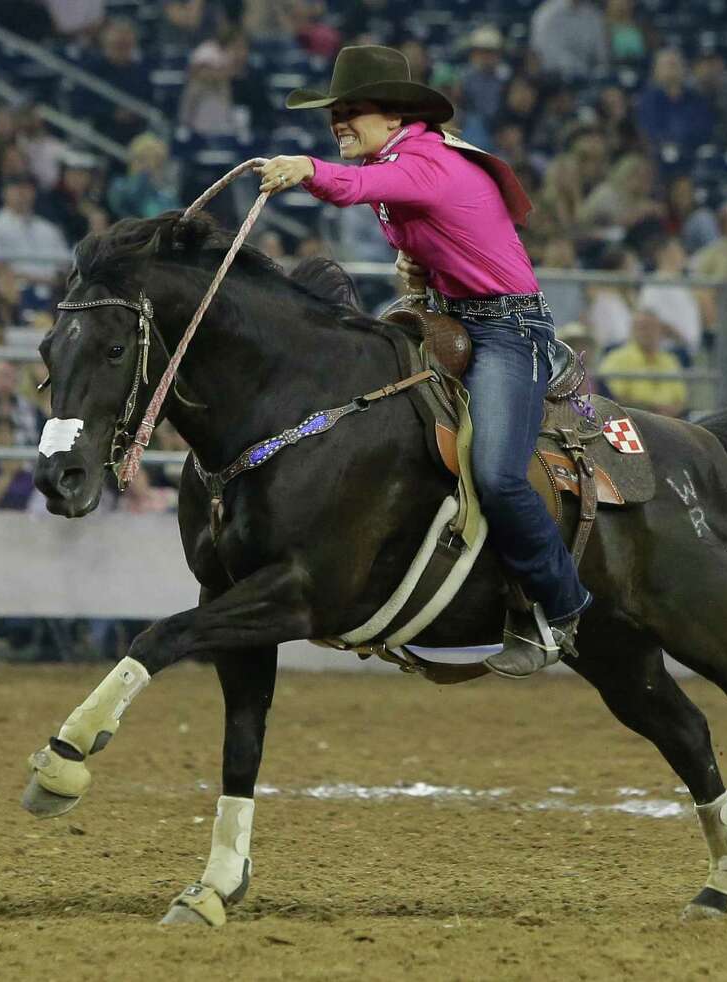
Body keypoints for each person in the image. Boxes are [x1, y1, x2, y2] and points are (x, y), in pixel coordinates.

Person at [260, 45, 591, 677]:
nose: (339, 122)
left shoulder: (424, 160)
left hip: (508, 329)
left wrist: (307, 169)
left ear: (394, 116)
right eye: (335, 114)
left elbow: (355, 188)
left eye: (352, 111)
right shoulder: (405, 159)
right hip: (452, 317)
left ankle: (563, 604)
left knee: (498, 474)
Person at [0, 174, 69, 282]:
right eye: (16, 188)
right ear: (4, 193)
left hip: (53, 288)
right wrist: (36, 280)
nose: (22, 193)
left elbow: (65, 265)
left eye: (27, 188)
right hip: (16, 287)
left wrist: (57, 281)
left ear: (34, 193)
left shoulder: (48, 228)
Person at [597, 309, 688, 417]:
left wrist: (671, 411)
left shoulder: (670, 360)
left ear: (660, 331)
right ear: (632, 331)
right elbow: (612, 398)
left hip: (670, 419)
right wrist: (652, 409)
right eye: (643, 327)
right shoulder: (616, 358)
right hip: (633, 418)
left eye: (652, 327)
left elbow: (681, 399)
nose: (648, 332)